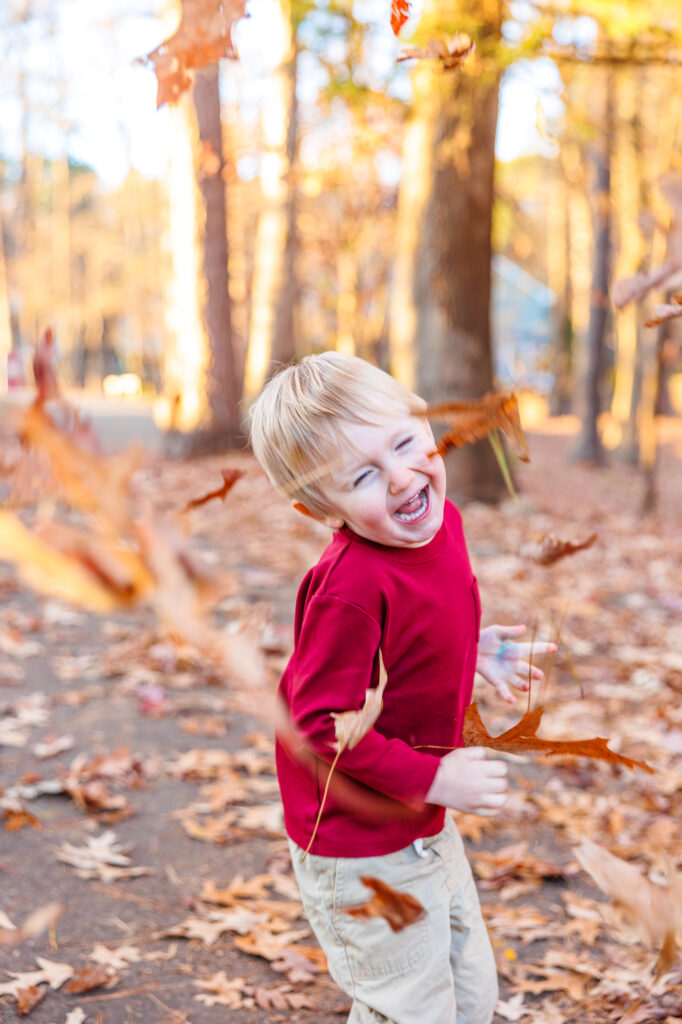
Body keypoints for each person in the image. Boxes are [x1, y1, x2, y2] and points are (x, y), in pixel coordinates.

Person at [249, 352, 555, 1024]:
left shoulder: (442, 524)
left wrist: (476, 650)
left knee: (470, 995)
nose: (401, 479)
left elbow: (429, 618)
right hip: (357, 839)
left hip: (419, 821)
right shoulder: (350, 590)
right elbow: (319, 727)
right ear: (318, 508)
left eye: (405, 443)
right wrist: (435, 779)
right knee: (410, 1010)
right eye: (362, 476)